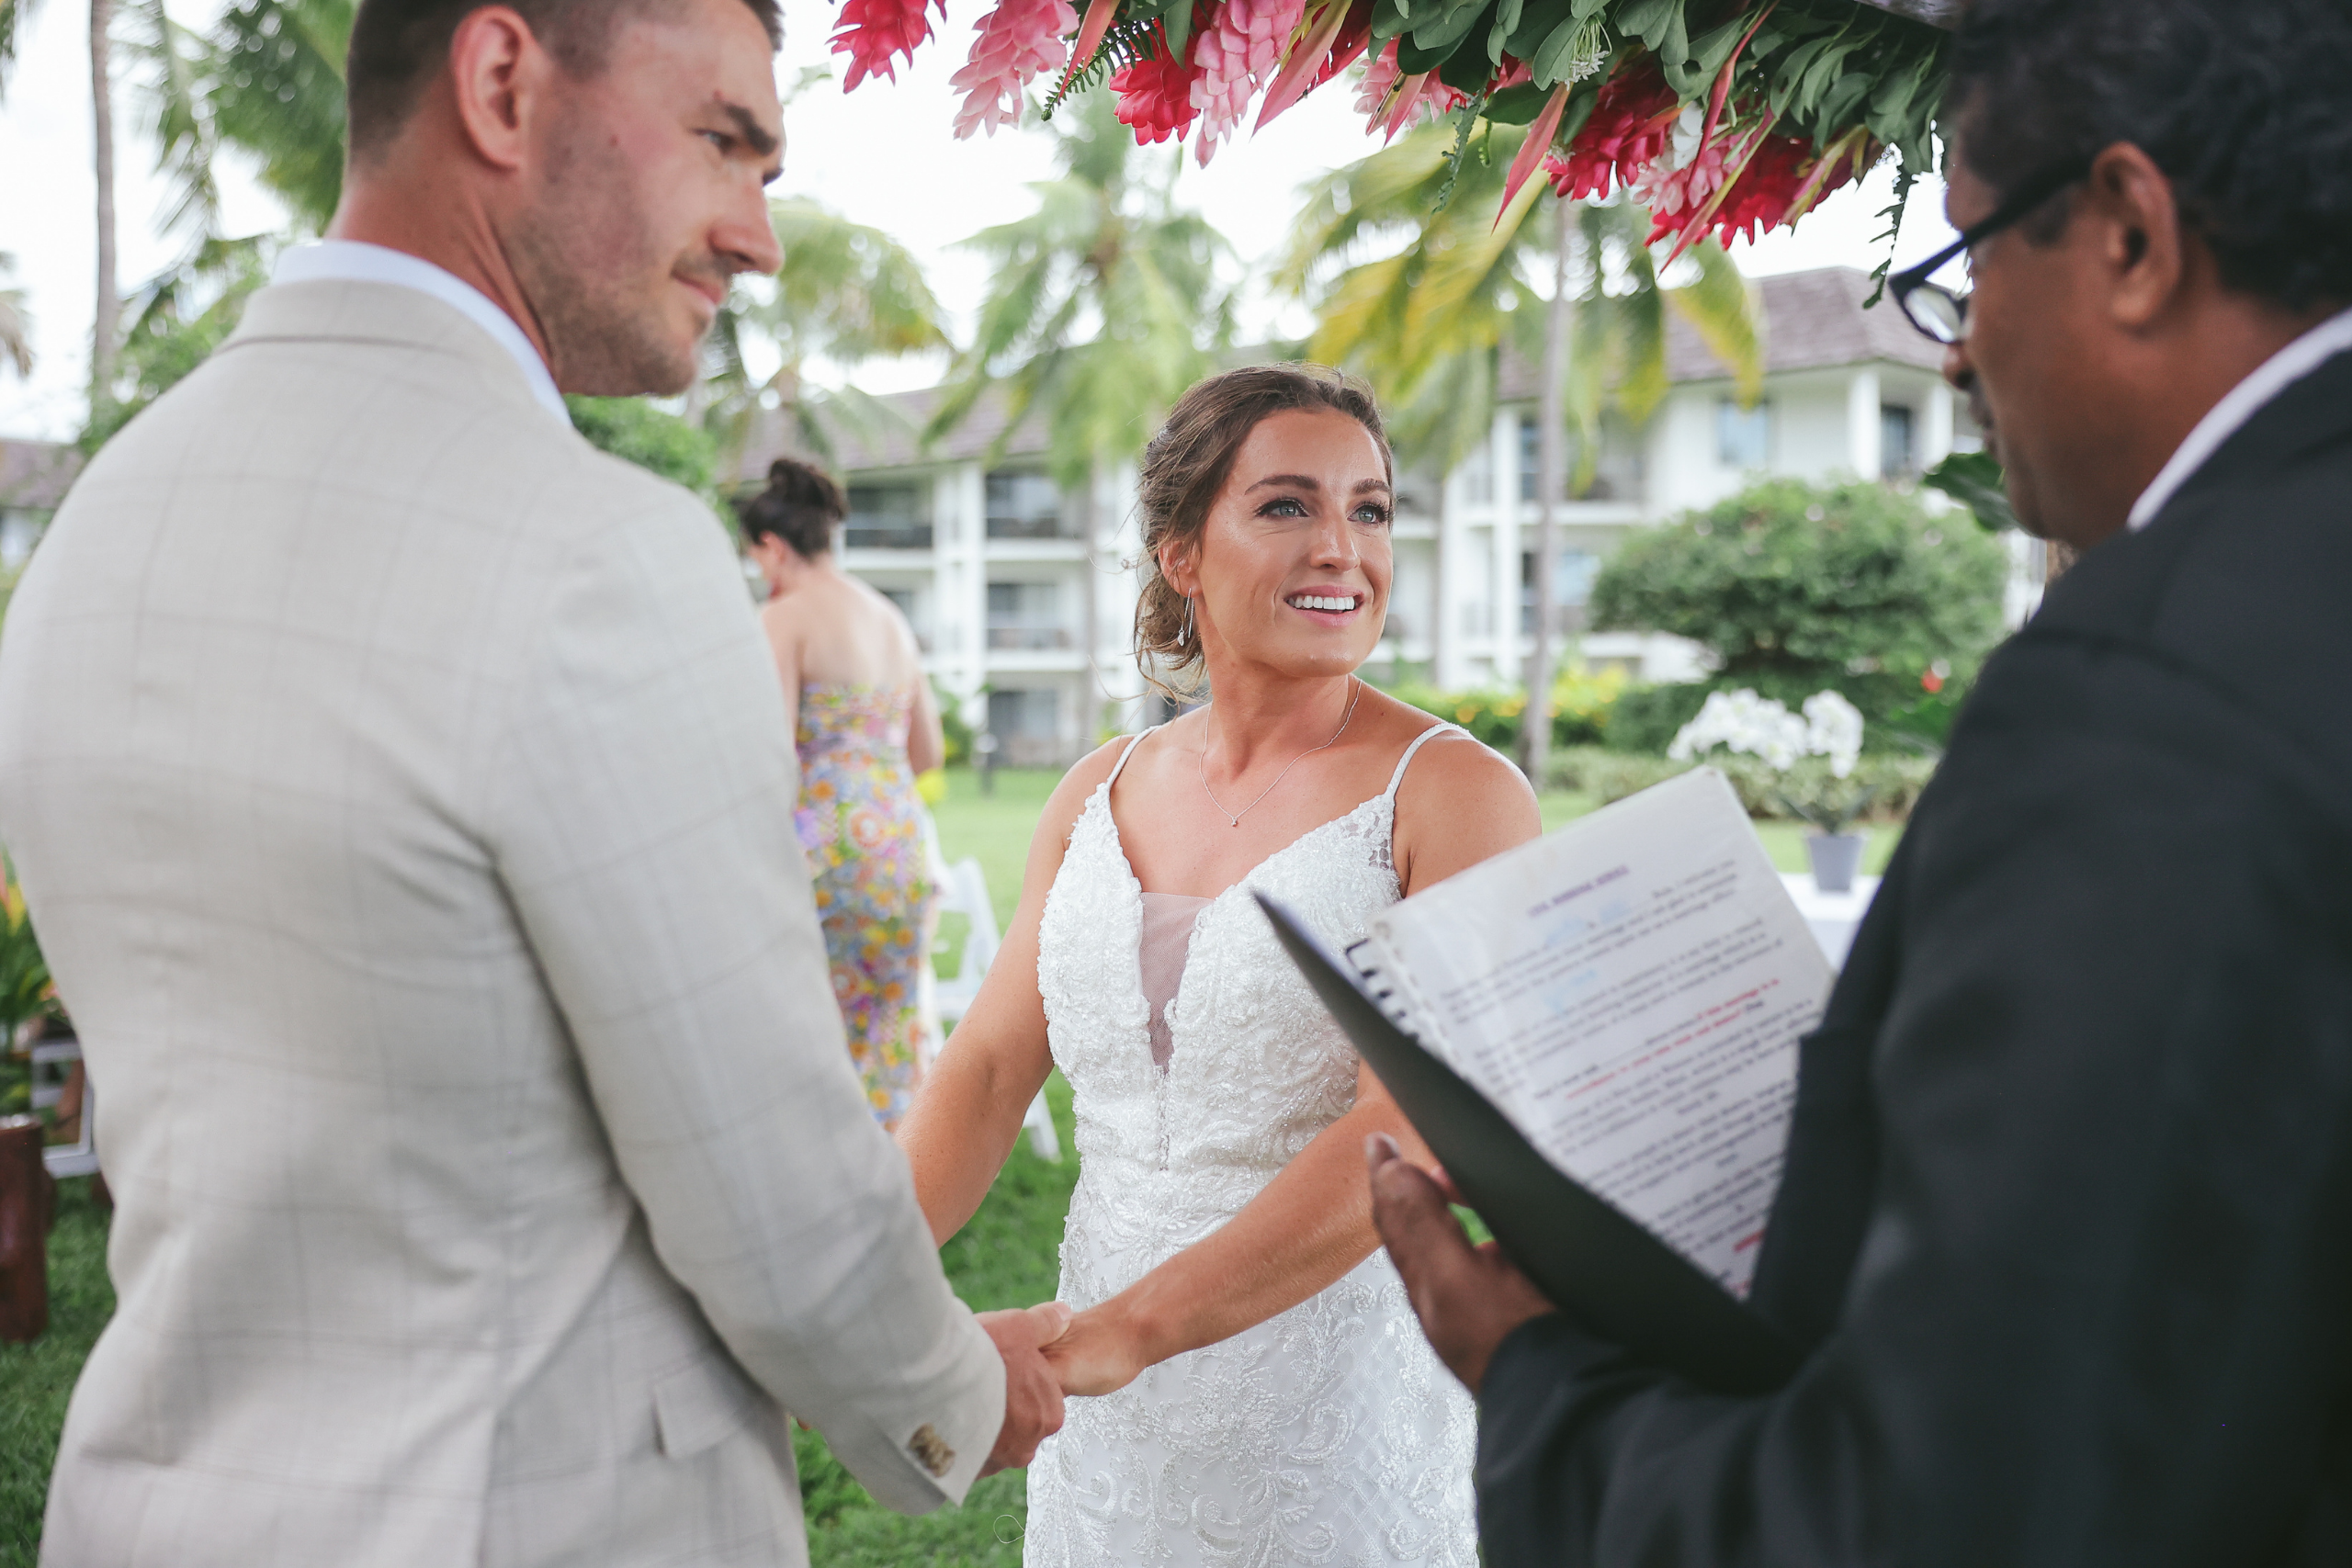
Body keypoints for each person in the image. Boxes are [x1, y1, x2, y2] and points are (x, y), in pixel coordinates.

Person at [0, 0, 1068, 1562]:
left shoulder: (99, 527)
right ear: (502, 83)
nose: (757, 238)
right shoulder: (601, 553)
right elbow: (774, 1200)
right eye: (725, 142)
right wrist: (956, 1385)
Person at [1366, 2, 2352, 1563]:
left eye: (1966, 260)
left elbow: (1942, 1510)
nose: (1954, 347)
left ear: (2130, 232)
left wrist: (1534, 1374)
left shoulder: (2151, 695)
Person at [896, 364, 1544, 1567]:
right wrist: (850, 1294)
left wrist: (1131, 1329)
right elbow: (988, 1069)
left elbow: (1408, 1133)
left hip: (1328, 1414)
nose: (1342, 546)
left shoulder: (1458, 796)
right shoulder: (1096, 789)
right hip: (1101, 1409)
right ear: (1181, 551)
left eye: (1372, 508)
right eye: (1289, 505)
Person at [739, 457, 946, 1130]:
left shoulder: (785, 617)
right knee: (888, 1020)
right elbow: (928, 753)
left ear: (772, 547)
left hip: (822, 843)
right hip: (900, 839)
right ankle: (894, 1169)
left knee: (806, 1021)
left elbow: (767, 750)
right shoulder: (889, 618)